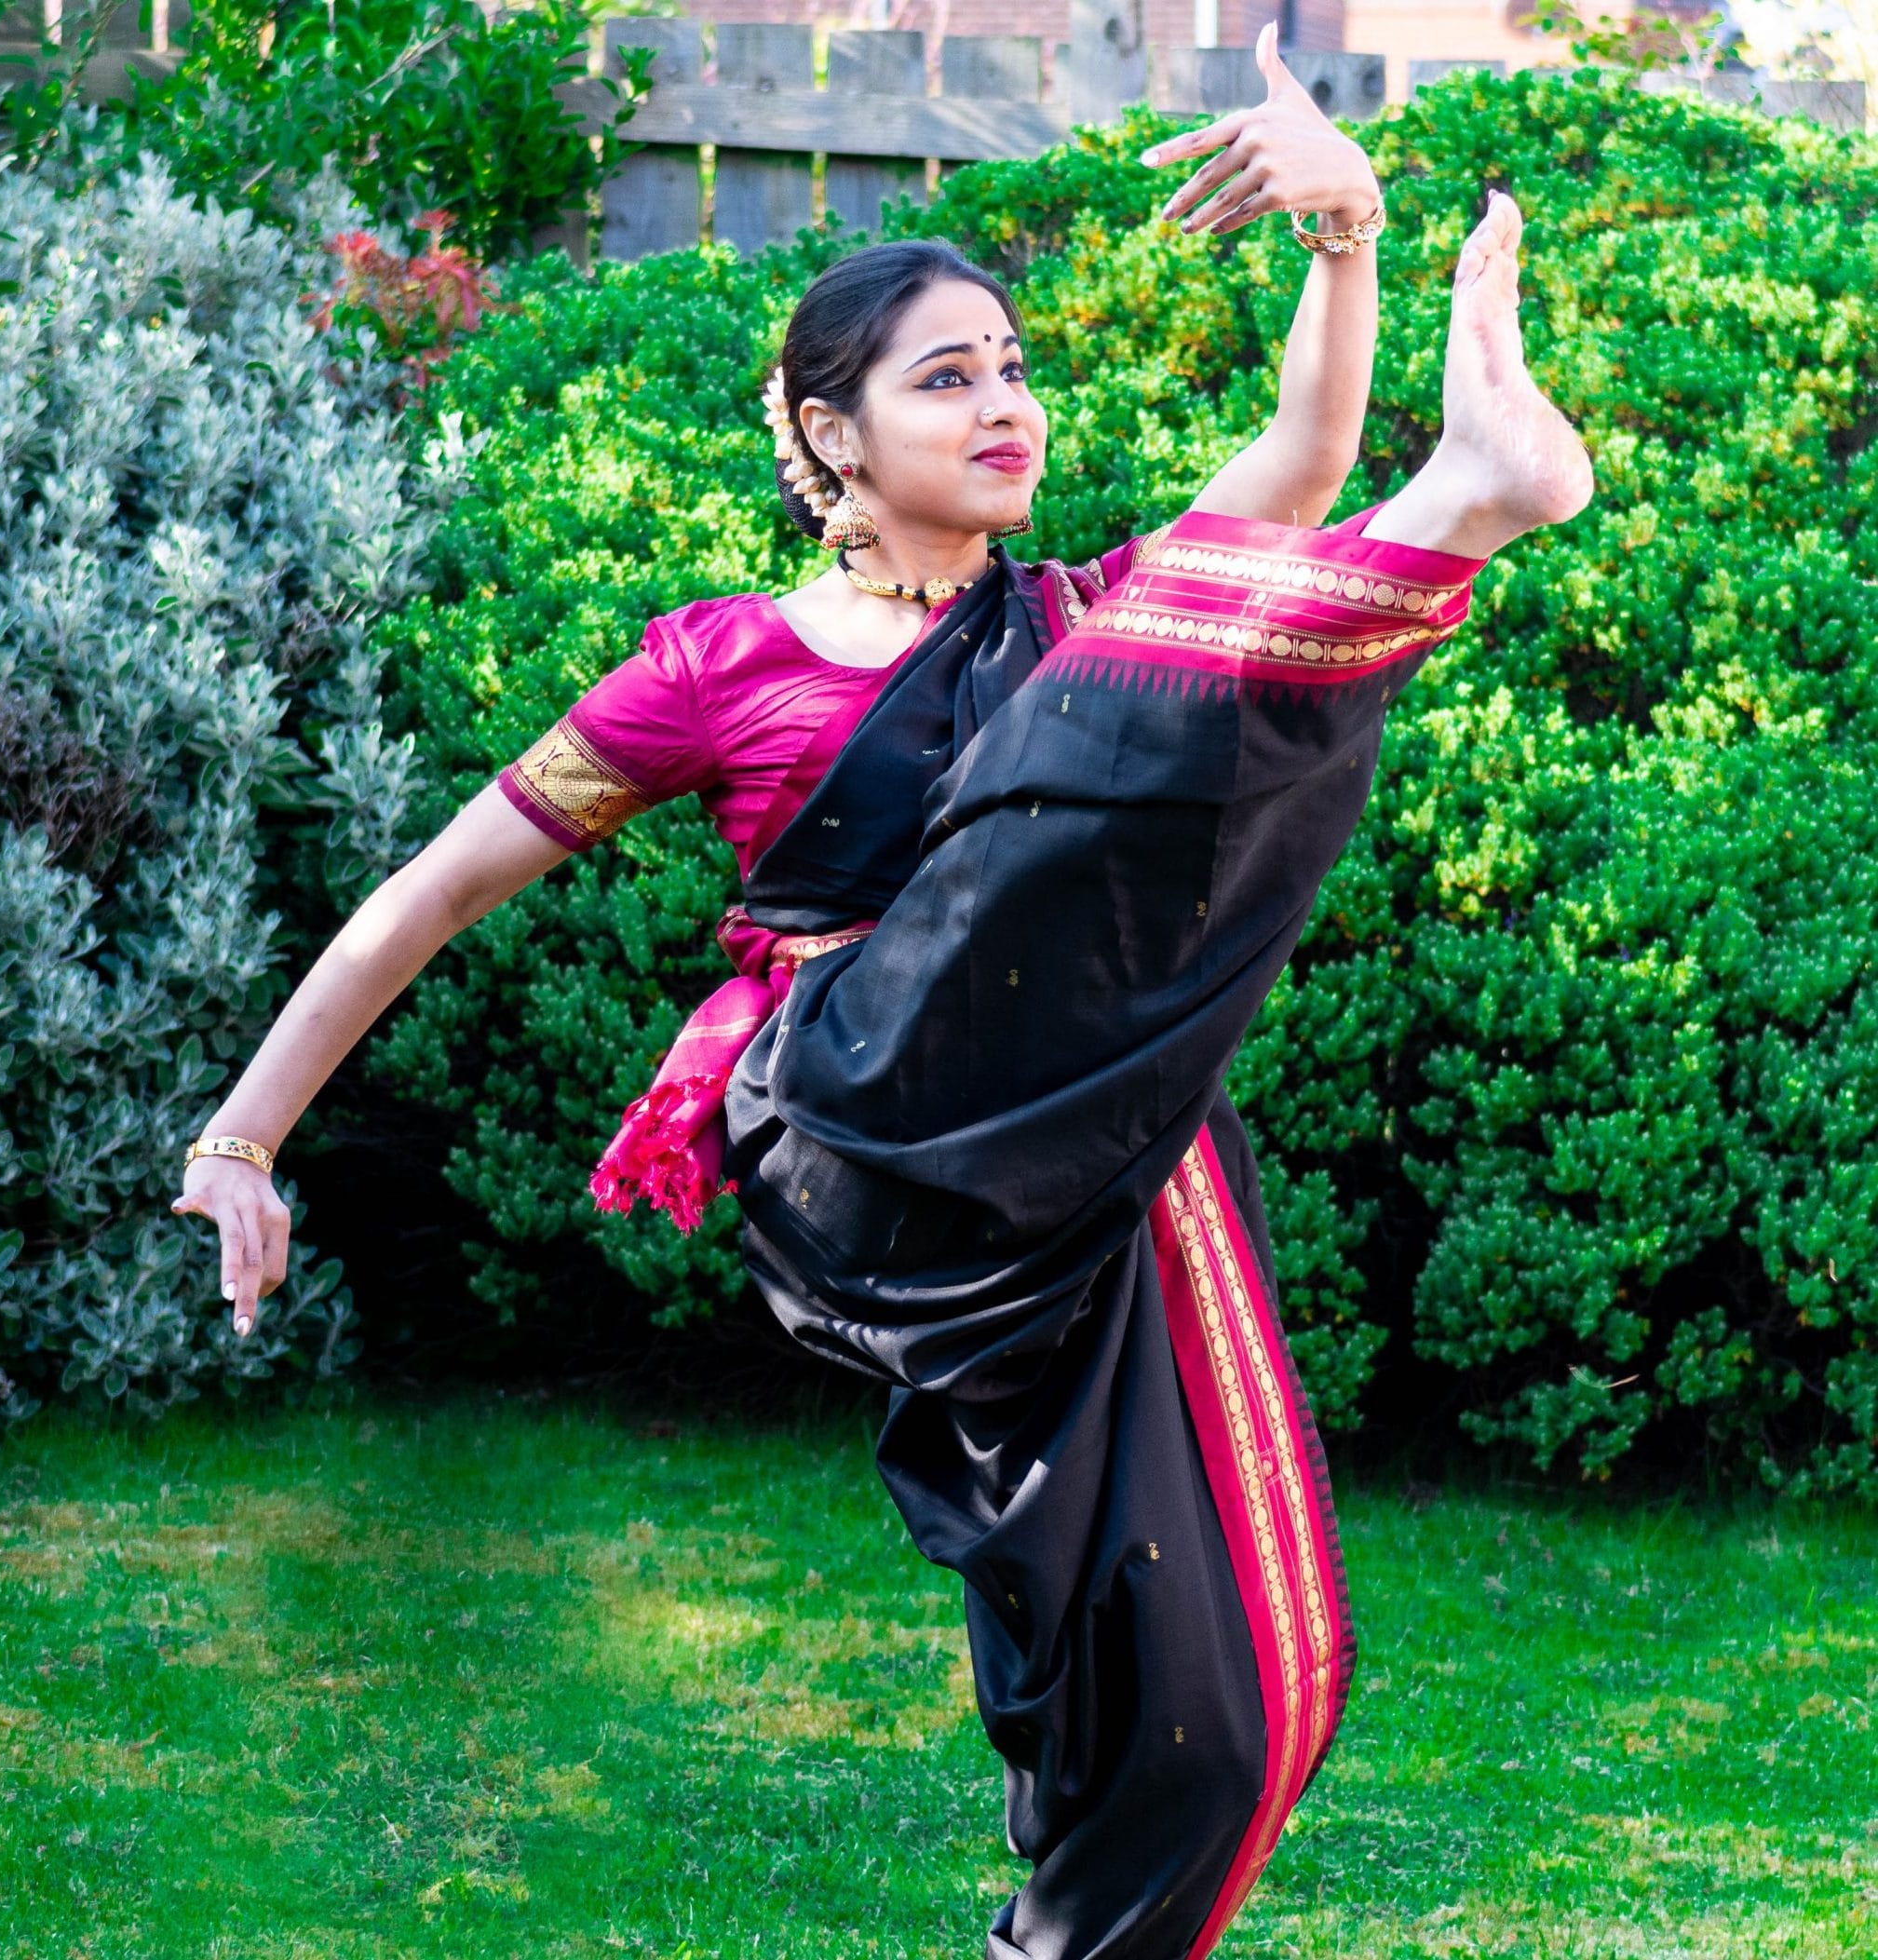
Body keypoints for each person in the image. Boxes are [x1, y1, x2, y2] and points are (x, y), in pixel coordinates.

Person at [174, 29, 1592, 1958]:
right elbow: (423, 898)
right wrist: (244, 1138)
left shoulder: (1070, 617)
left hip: (1076, 1163)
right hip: (872, 1134)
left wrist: (1343, 236)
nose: (1004, 402)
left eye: (1009, 365)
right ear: (831, 435)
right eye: (946, 377)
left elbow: (1300, 466)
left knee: (1212, 1702)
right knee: (1107, 716)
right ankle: (1473, 499)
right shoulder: (720, 665)